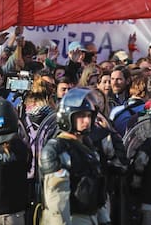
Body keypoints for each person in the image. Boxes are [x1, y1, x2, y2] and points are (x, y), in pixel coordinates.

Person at [40, 88, 106, 225]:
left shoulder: (88, 147)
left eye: (89, 115)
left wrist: (104, 218)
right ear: (67, 116)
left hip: (91, 216)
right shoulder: (57, 149)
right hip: (71, 218)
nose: (87, 120)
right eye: (81, 116)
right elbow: (57, 198)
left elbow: (98, 189)